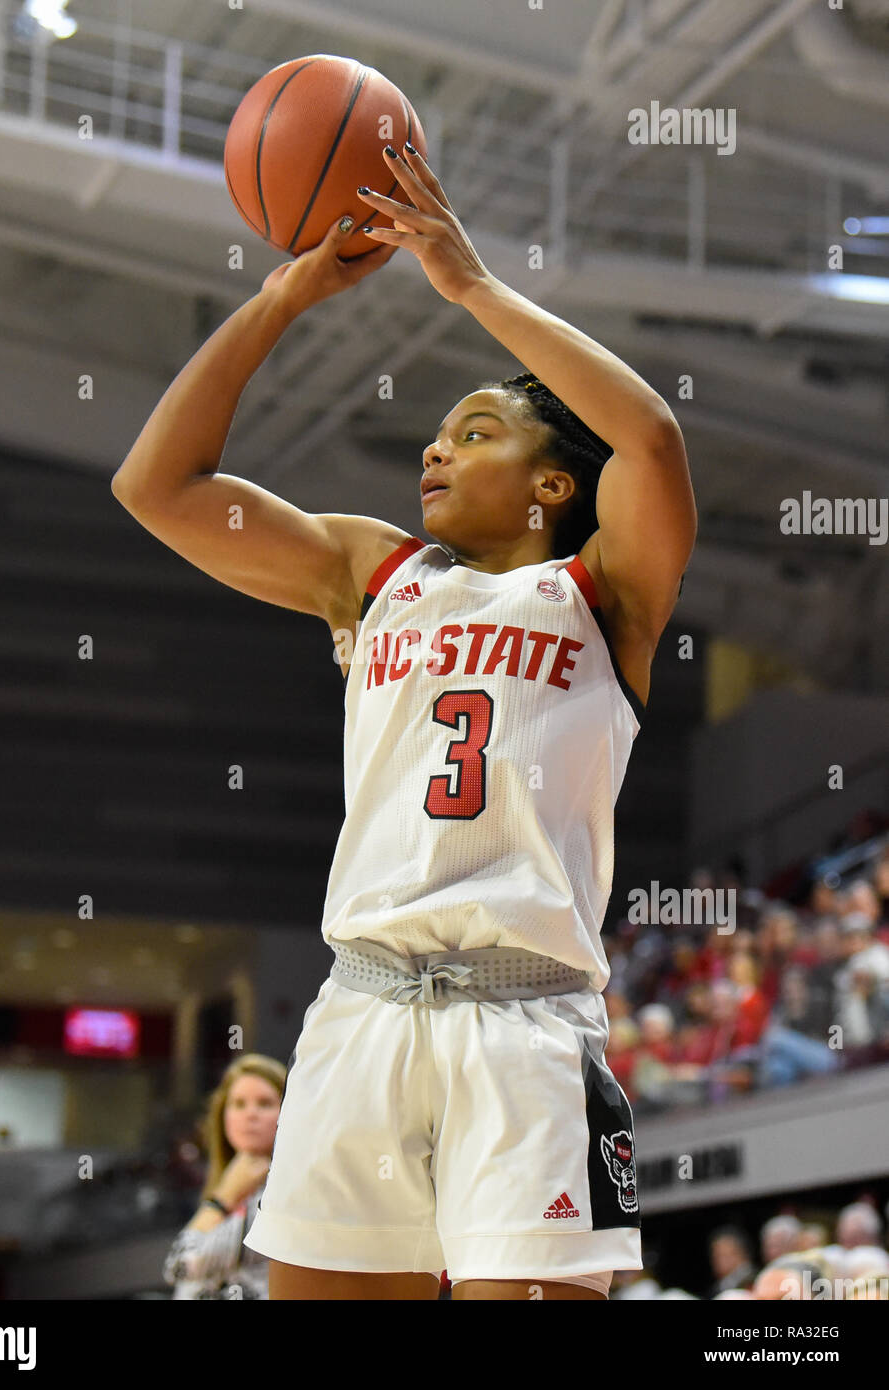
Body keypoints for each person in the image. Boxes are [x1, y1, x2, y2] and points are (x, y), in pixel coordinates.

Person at [114, 141, 696, 1300]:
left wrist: (469, 284)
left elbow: (648, 442)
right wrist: (284, 294)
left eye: (476, 430)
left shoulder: (604, 594)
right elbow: (159, 486)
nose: (434, 445)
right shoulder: (372, 572)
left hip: (529, 1030)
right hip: (364, 1006)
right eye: (438, 430)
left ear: (551, 487)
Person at [163, 1055, 285, 1300]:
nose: (251, 1114)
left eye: (265, 1103)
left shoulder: (277, 1197)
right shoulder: (229, 1182)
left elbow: (179, 1265)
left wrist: (221, 1200)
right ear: (223, 1116)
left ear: (288, 1111)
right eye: (239, 1104)